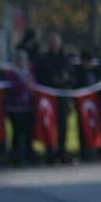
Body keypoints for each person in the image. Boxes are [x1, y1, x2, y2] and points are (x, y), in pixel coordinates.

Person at [35, 32, 71, 164]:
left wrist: (67, 78)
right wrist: (52, 79)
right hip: (48, 97)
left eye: (56, 41)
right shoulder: (43, 58)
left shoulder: (66, 57)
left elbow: (72, 74)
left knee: (63, 126)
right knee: (48, 125)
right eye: (52, 41)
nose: (54, 44)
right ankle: (50, 154)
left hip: (63, 96)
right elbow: (39, 76)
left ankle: (62, 153)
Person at [4, 48, 35, 165]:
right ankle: (16, 156)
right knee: (17, 132)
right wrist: (23, 85)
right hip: (15, 108)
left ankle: (28, 155)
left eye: (23, 59)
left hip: (28, 107)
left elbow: (34, 86)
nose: (21, 61)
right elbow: (10, 88)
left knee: (28, 132)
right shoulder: (11, 73)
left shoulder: (29, 73)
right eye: (19, 59)